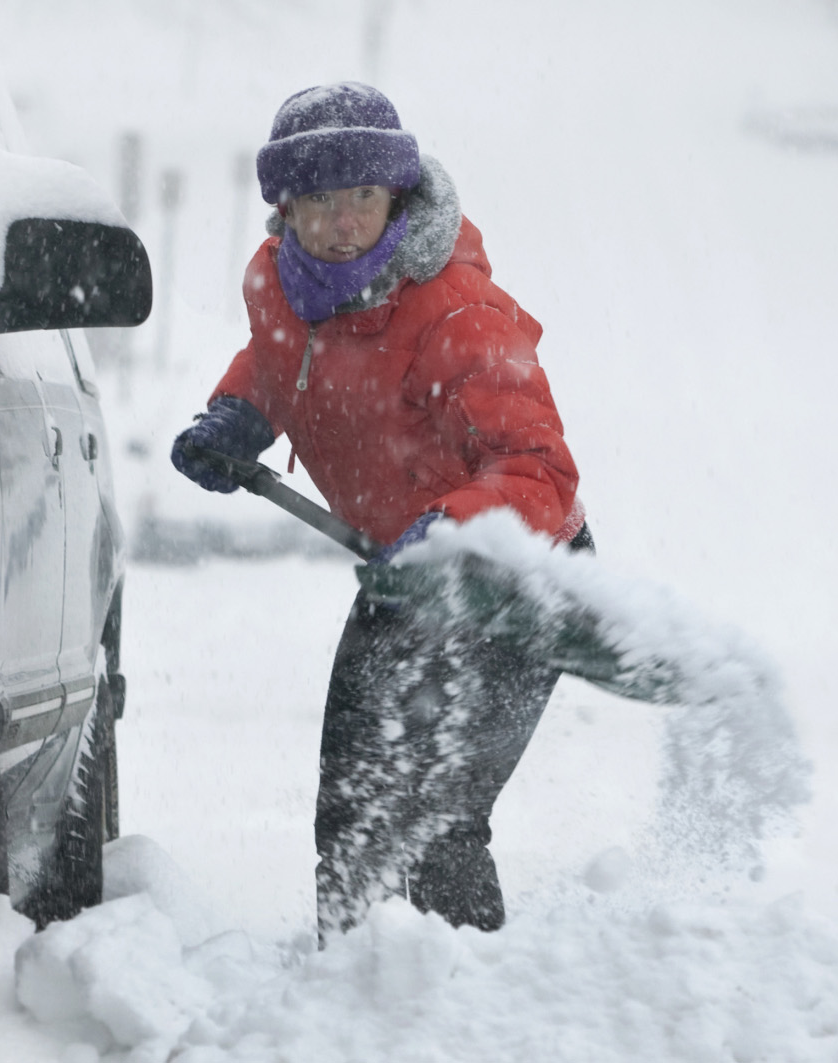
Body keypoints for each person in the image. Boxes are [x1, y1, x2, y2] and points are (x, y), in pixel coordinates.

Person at [170, 82, 588, 936]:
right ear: (285, 208)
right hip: (403, 577)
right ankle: (346, 993)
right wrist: (238, 416)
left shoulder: (457, 314)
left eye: (361, 196)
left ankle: (458, 1007)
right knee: (353, 814)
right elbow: (282, 357)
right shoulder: (283, 287)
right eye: (317, 201)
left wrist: (453, 528)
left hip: (513, 579)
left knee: (436, 821)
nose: (340, 223)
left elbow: (539, 470)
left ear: (396, 195)